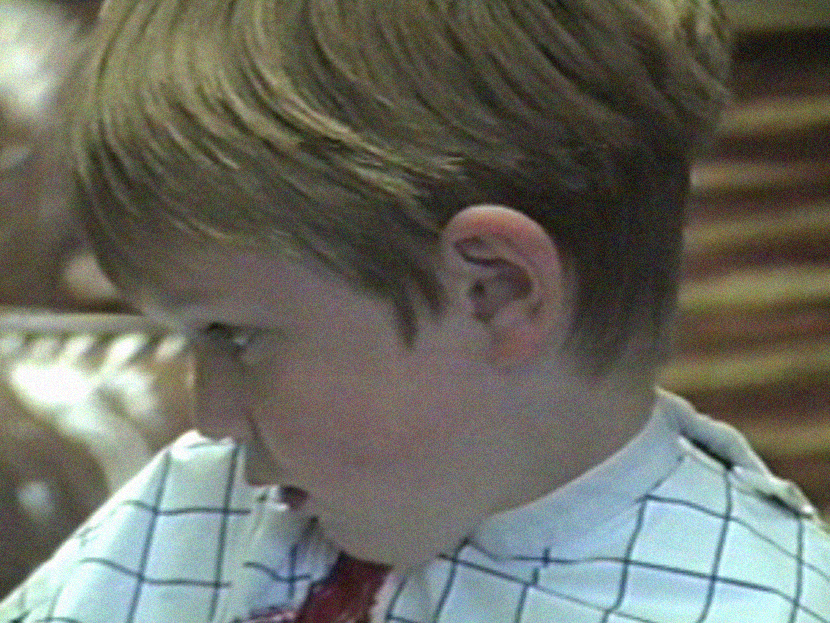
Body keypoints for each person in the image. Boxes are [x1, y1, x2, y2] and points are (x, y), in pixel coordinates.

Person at [3, 0, 829, 621]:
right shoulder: (194, 511)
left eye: (236, 337)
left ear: (497, 291)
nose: (211, 415)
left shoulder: (758, 602)